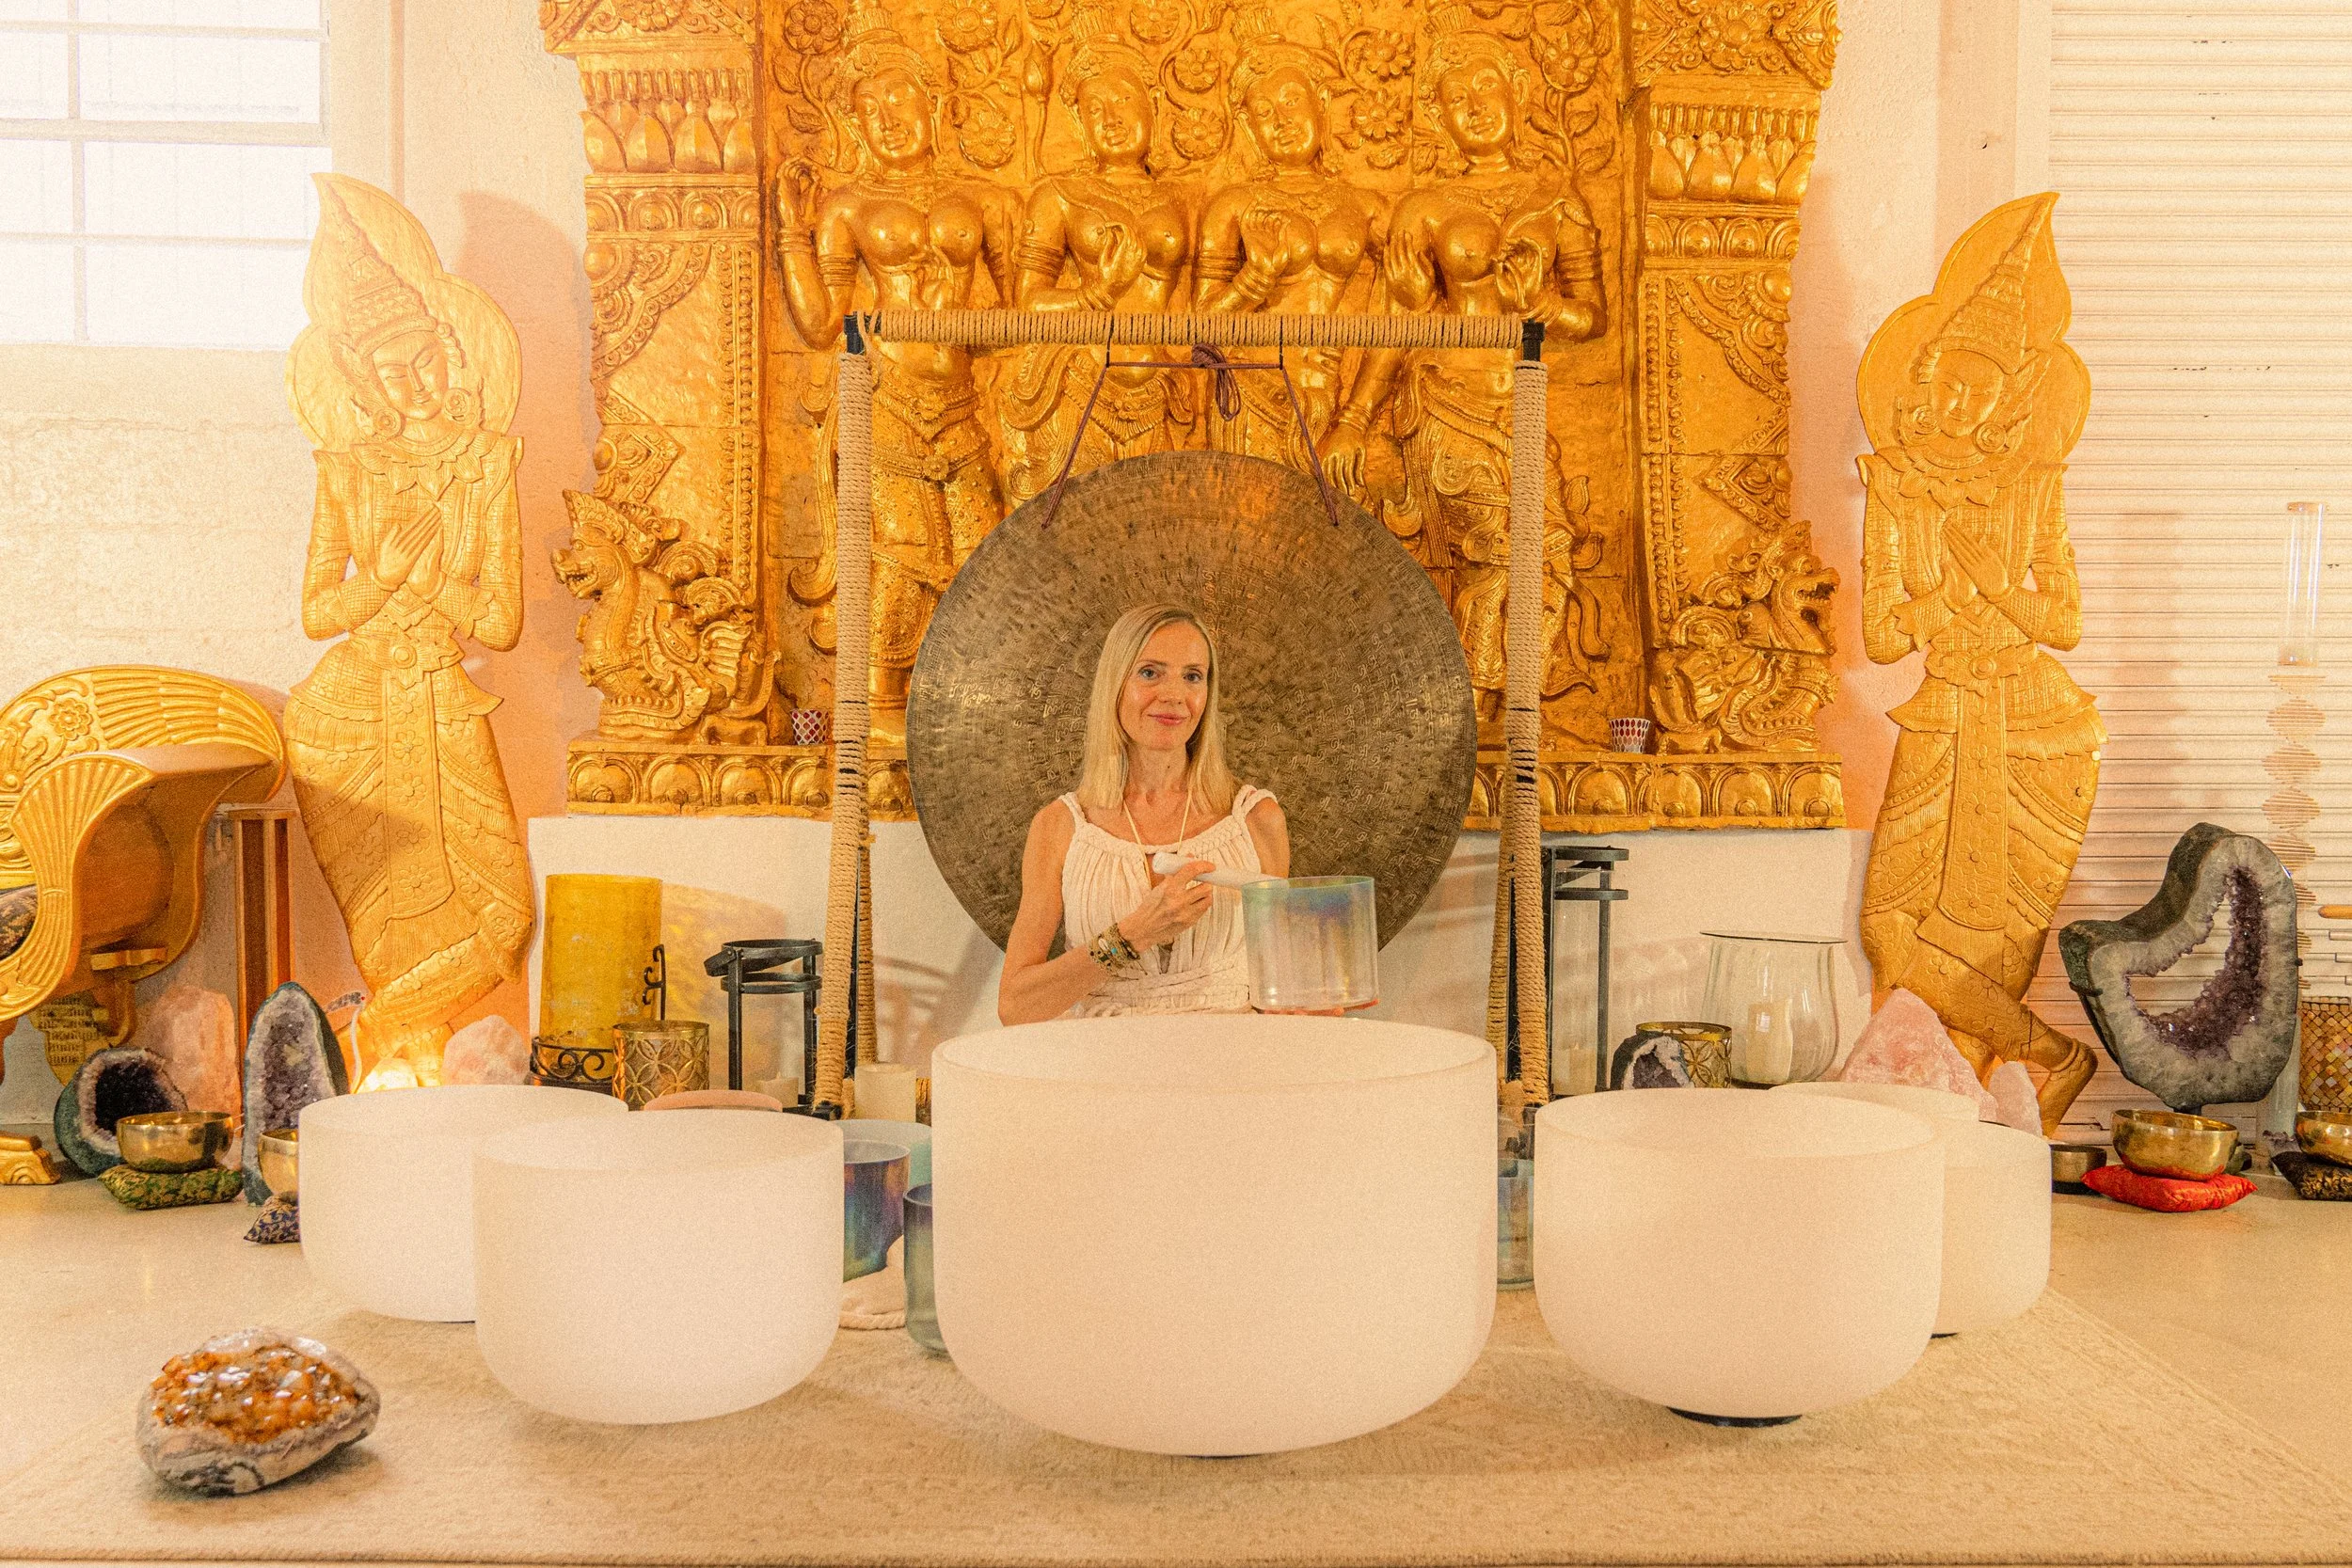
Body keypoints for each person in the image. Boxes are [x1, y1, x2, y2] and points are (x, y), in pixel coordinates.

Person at [998, 604, 1289, 1022]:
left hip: (1231, 1069)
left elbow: (1282, 985)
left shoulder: (1255, 820)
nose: (1173, 696)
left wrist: (1317, 999)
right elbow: (1016, 1007)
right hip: (1103, 1071)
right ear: (1115, 685)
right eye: (1150, 672)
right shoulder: (1061, 827)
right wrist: (1132, 936)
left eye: (1192, 676)